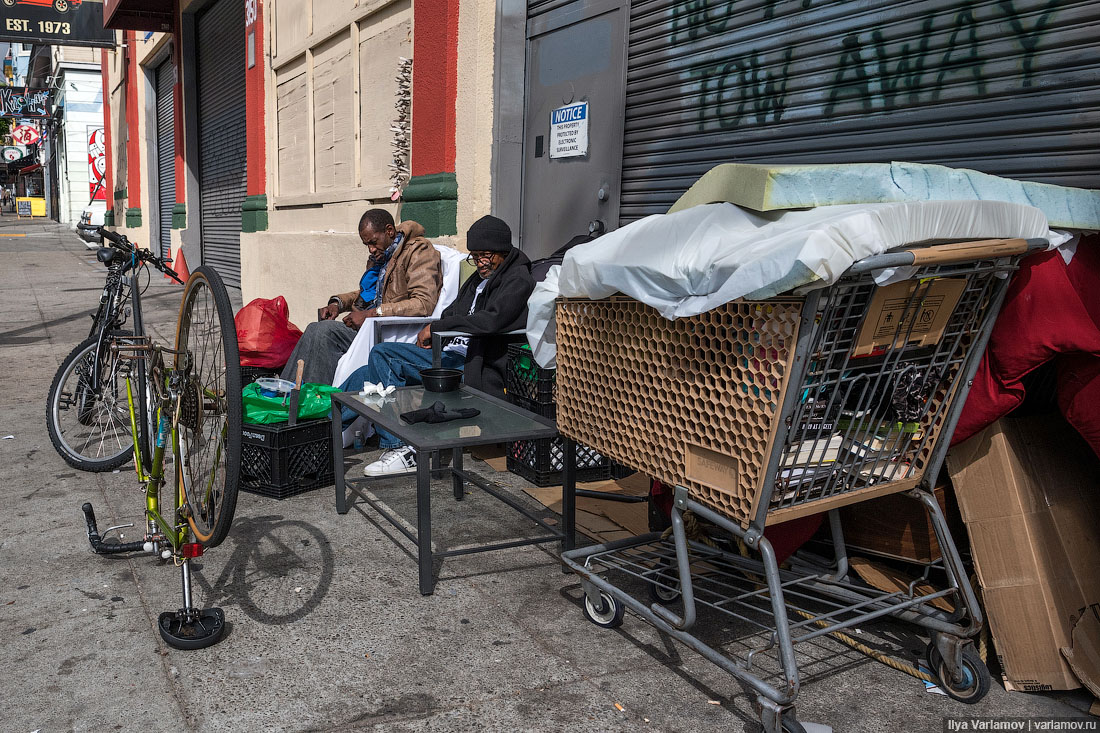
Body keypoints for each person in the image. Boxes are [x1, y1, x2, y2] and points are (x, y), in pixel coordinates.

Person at [340, 214, 534, 477]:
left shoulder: (518, 279)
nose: (480, 263)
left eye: (486, 256)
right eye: (475, 257)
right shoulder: (478, 279)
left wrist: (438, 328)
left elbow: (491, 321)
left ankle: (402, 446)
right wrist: (438, 330)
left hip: (474, 365)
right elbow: (452, 311)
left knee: (383, 355)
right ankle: (321, 431)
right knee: (364, 375)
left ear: (503, 251)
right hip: (449, 353)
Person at [280, 209, 442, 385]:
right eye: (367, 245)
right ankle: (287, 392)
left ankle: (312, 398)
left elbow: (423, 303)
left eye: (373, 242)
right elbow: (369, 293)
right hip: (371, 327)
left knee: (324, 332)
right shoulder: (385, 255)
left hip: (388, 333)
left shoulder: (418, 251)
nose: (371, 249)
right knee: (314, 329)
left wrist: (371, 314)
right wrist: (338, 303)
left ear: (389, 231)